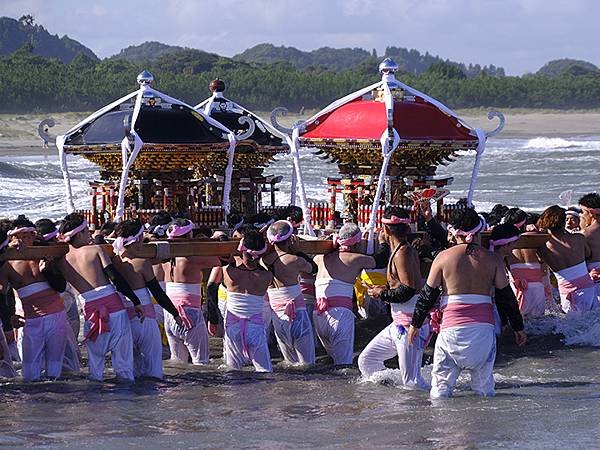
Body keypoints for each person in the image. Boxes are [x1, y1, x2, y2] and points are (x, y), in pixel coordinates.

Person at [408, 208, 526, 399]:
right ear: (479, 231)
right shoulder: (493, 259)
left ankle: (439, 426)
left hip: (451, 332)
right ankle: (486, 426)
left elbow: (427, 295)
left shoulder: (443, 258)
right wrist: (518, 327)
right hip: (483, 332)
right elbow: (506, 298)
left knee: (441, 388)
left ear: (454, 231)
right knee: (484, 388)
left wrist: (415, 324)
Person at [56, 213, 144, 382]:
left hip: (90, 312)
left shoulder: (61, 262)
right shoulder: (95, 250)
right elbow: (116, 279)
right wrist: (136, 301)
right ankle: (126, 401)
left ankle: (95, 402)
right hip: (115, 309)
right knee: (123, 364)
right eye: (87, 231)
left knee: (95, 366)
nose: (89, 235)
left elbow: (59, 286)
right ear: (79, 234)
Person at [358, 207, 429, 389]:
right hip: (398, 323)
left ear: (386, 229)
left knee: (411, 384)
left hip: (410, 325)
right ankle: (392, 396)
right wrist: (384, 289)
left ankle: (417, 412)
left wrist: (381, 293)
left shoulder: (403, 252)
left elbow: (408, 290)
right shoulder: (401, 250)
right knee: (367, 360)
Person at [112, 219, 185, 379]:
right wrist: (175, 314)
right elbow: (158, 293)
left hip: (124, 319)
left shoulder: (113, 262)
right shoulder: (142, 263)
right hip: (145, 318)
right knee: (153, 366)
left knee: (129, 368)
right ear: (138, 239)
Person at [0, 217, 70, 381]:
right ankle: (33, 402)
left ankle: (55, 401)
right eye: (21, 235)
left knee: (54, 368)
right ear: (13, 237)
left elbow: (61, 286)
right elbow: (3, 294)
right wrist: (10, 318)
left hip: (56, 316)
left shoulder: (44, 253)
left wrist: (48, 270)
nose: (26, 239)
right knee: (30, 372)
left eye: (29, 234)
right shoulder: (7, 263)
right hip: (31, 320)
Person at [313, 222, 389, 368]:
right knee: (343, 366)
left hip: (318, 315)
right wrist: (383, 243)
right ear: (356, 244)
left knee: (332, 361)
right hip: (339, 316)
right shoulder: (355, 258)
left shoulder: (319, 258)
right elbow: (380, 260)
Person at [262, 220, 317, 366]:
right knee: (307, 363)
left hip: (277, 316)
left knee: (290, 362)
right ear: (290, 239)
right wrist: (297, 250)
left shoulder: (263, 261)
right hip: (297, 313)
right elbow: (313, 268)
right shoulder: (294, 259)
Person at [162, 219, 216, 365]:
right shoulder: (192, 258)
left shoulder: (164, 258)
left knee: (177, 361)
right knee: (201, 362)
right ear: (189, 235)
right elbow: (221, 260)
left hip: (169, 312)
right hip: (189, 312)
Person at [222, 230, 274, 372]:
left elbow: (223, 254)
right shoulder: (267, 276)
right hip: (255, 327)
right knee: (265, 372)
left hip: (233, 326)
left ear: (241, 248)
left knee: (232, 372)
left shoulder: (228, 272)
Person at [536, 206, 597, 313]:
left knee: (572, 326)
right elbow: (588, 254)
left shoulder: (542, 248)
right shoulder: (579, 238)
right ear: (563, 222)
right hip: (587, 288)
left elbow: (540, 261)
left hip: (567, 292)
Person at [502, 209, 547, 318]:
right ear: (525, 223)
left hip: (517, 288)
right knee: (540, 323)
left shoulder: (504, 243)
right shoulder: (535, 237)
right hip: (537, 288)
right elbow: (543, 262)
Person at [579, 194, 600, 298]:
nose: (581, 215)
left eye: (582, 212)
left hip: (595, 277)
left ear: (590, 213)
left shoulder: (585, 233)